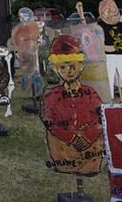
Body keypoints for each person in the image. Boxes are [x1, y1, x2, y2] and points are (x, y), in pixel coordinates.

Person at [40, 35, 104, 176]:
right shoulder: (51, 95)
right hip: (63, 146)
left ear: (79, 67)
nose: (68, 71)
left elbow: (100, 117)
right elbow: (49, 121)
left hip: (90, 144)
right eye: (63, 67)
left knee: (90, 164)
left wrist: (88, 137)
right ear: (57, 69)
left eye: (72, 66)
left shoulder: (90, 93)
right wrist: (72, 138)